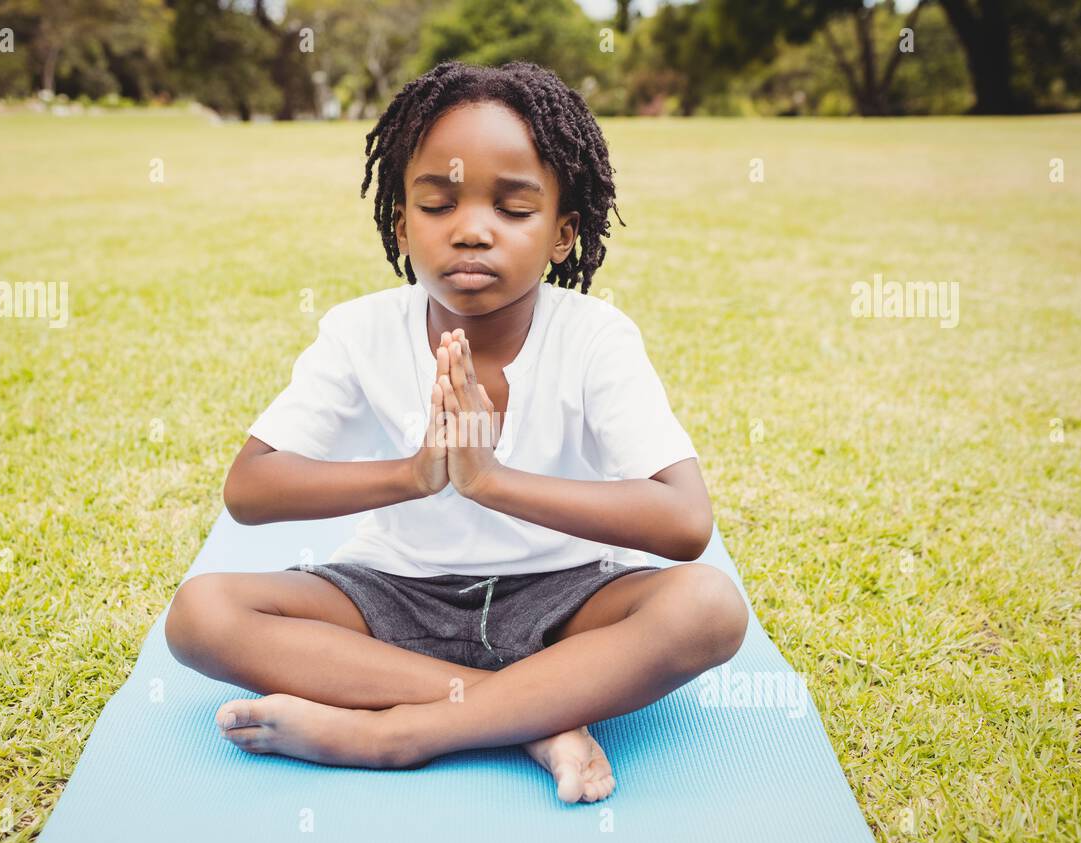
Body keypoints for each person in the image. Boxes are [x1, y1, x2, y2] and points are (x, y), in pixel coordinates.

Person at [165, 61, 748, 804]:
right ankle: (531, 715)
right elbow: (250, 489)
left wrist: (493, 484)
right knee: (202, 615)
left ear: (563, 232)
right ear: (403, 224)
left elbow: (684, 520)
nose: (472, 230)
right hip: (393, 595)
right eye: (439, 204)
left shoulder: (596, 337)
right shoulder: (358, 331)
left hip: (565, 601)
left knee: (708, 607)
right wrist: (414, 476)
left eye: (513, 208)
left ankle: (396, 735)